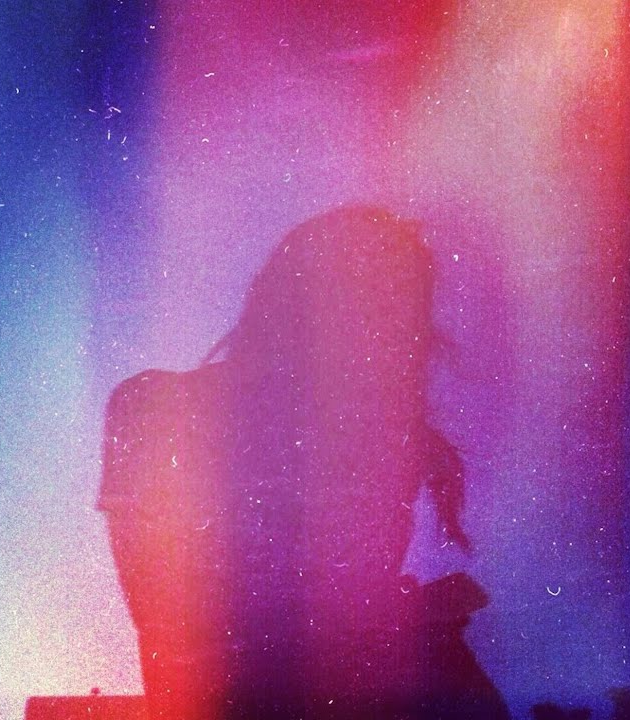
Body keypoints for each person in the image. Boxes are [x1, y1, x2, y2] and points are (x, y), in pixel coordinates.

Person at [99, 205, 508, 719]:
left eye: (394, 306)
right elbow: (173, 622)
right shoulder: (156, 407)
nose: (380, 329)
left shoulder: (384, 437)